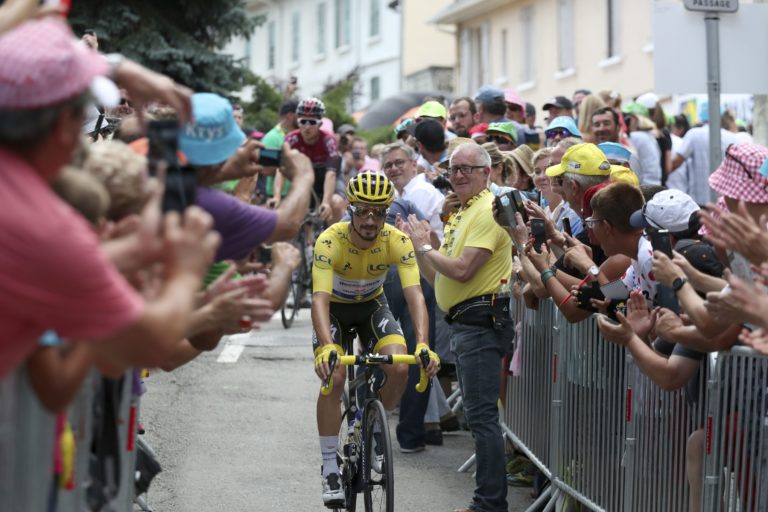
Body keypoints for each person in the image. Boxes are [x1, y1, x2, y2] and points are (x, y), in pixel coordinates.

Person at [0, 18, 217, 378]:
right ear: (65, 126)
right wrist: (187, 272)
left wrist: (114, 66)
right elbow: (151, 345)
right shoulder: (48, 228)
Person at [311, 172, 439, 506]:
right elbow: (320, 300)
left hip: (371, 306)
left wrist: (422, 343)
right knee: (335, 376)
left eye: (379, 212)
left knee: (400, 367)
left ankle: (374, 429)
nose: (370, 220)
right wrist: (327, 346)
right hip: (335, 310)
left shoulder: (396, 240)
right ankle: (330, 467)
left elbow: (415, 295)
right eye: (363, 211)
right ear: (350, 209)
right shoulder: (330, 240)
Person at [403, 143, 513, 512]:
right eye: (454, 169)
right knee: (479, 417)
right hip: (466, 324)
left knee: (482, 418)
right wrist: (420, 248)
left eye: (468, 168)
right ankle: (488, 501)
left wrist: (425, 247)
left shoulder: (486, 209)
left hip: (480, 324)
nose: (460, 175)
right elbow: (439, 279)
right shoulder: (464, 211)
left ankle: (489, 503)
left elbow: (464, 270)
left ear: (487, 172)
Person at [286, 97, 345, 222]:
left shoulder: (328, 140)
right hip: (309, 178)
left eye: (312, 122)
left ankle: (338, 233)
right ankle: (307, 234)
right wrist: (276, 196)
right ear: (298, 122)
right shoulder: (291, 139)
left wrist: (326, 202)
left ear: (320, 124)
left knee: (336, 202)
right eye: (303, 122)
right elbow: (280, 170)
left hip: (330, 177)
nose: (307, 127)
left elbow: (331, 174)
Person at [669, 104, 739, 204]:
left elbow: (676, 162)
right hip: (724, 201)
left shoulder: (694, 134)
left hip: (698, 202)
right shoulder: (732, 137)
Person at [263, 99, 299, 207]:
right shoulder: (272, 137)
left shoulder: (299, 136)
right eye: (300, 115)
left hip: (297, 195)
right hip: (279, 198)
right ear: (290, 116)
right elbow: (265, 169)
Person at [622, 103, 662, 186]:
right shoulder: (650, 136)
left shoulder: (635, 137)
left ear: (635, 119)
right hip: (656, 183)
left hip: (644, 185)